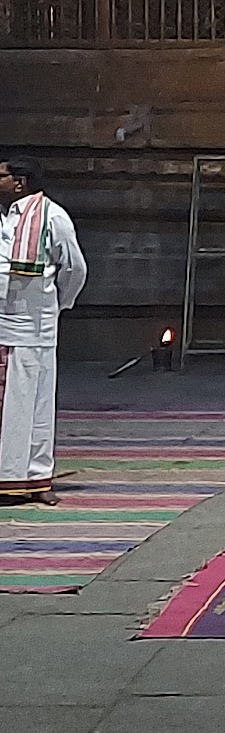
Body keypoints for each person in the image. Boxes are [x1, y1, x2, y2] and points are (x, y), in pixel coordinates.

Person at [0, 155, 88, 506]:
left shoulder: (52, 216)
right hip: (2, 327)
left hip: (33, 327)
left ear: (19, 183)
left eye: (1, 175)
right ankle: (10, 478)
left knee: (34, 407)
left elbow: (74, 269)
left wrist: (55, 305)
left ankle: (35, 479)